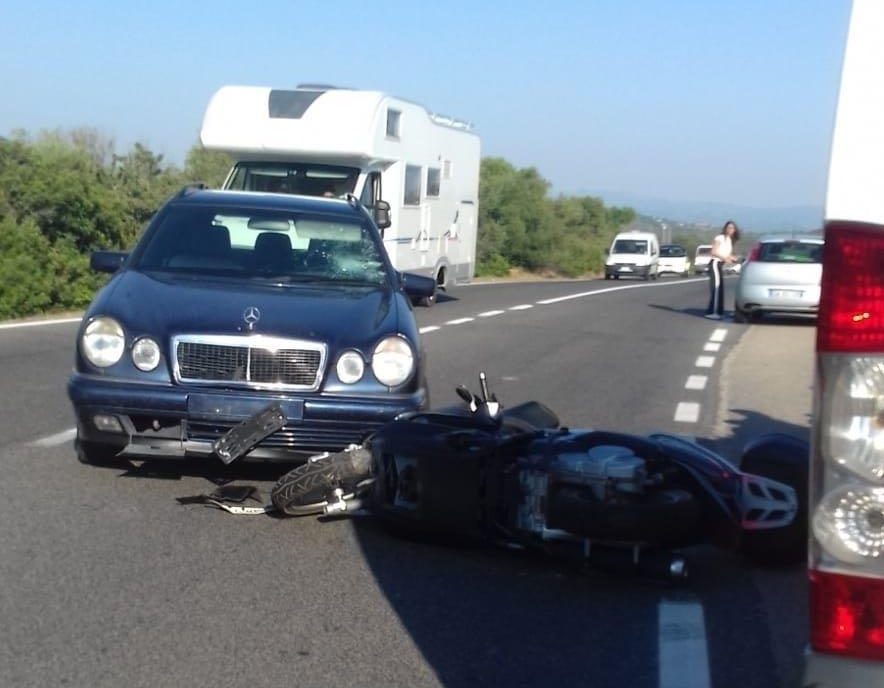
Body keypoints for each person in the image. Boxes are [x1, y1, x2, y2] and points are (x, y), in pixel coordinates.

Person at [705, 220, 739, 319]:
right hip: (715, 263)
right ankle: (712, 312)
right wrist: (724, 258)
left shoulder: (729, 240)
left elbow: (725, 253)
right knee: (716, 288)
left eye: (732, 228)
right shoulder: (720, 238)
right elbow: (713, 251)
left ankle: (719, 312)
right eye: (729, 228)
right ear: (725, 228)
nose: (730, 230)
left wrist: (732, 258)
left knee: (720, 287)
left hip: (720, 264)